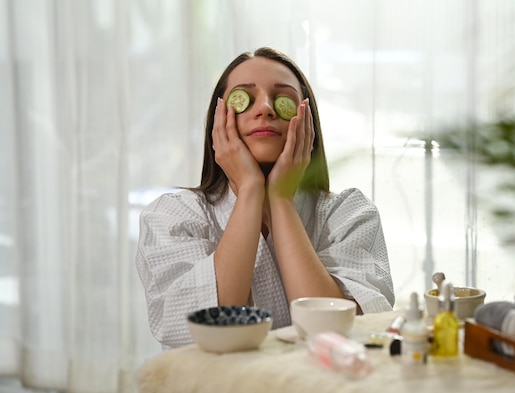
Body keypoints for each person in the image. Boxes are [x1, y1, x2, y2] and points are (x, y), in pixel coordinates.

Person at [136, 47, 395, 349]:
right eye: (244, 99)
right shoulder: (172, 216)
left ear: (307, 123)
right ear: (218, 122)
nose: (266, 109)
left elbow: (338, 332)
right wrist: (249, 190)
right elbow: (201, 329)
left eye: (283, 99)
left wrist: (281, 201)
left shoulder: (349, 213)